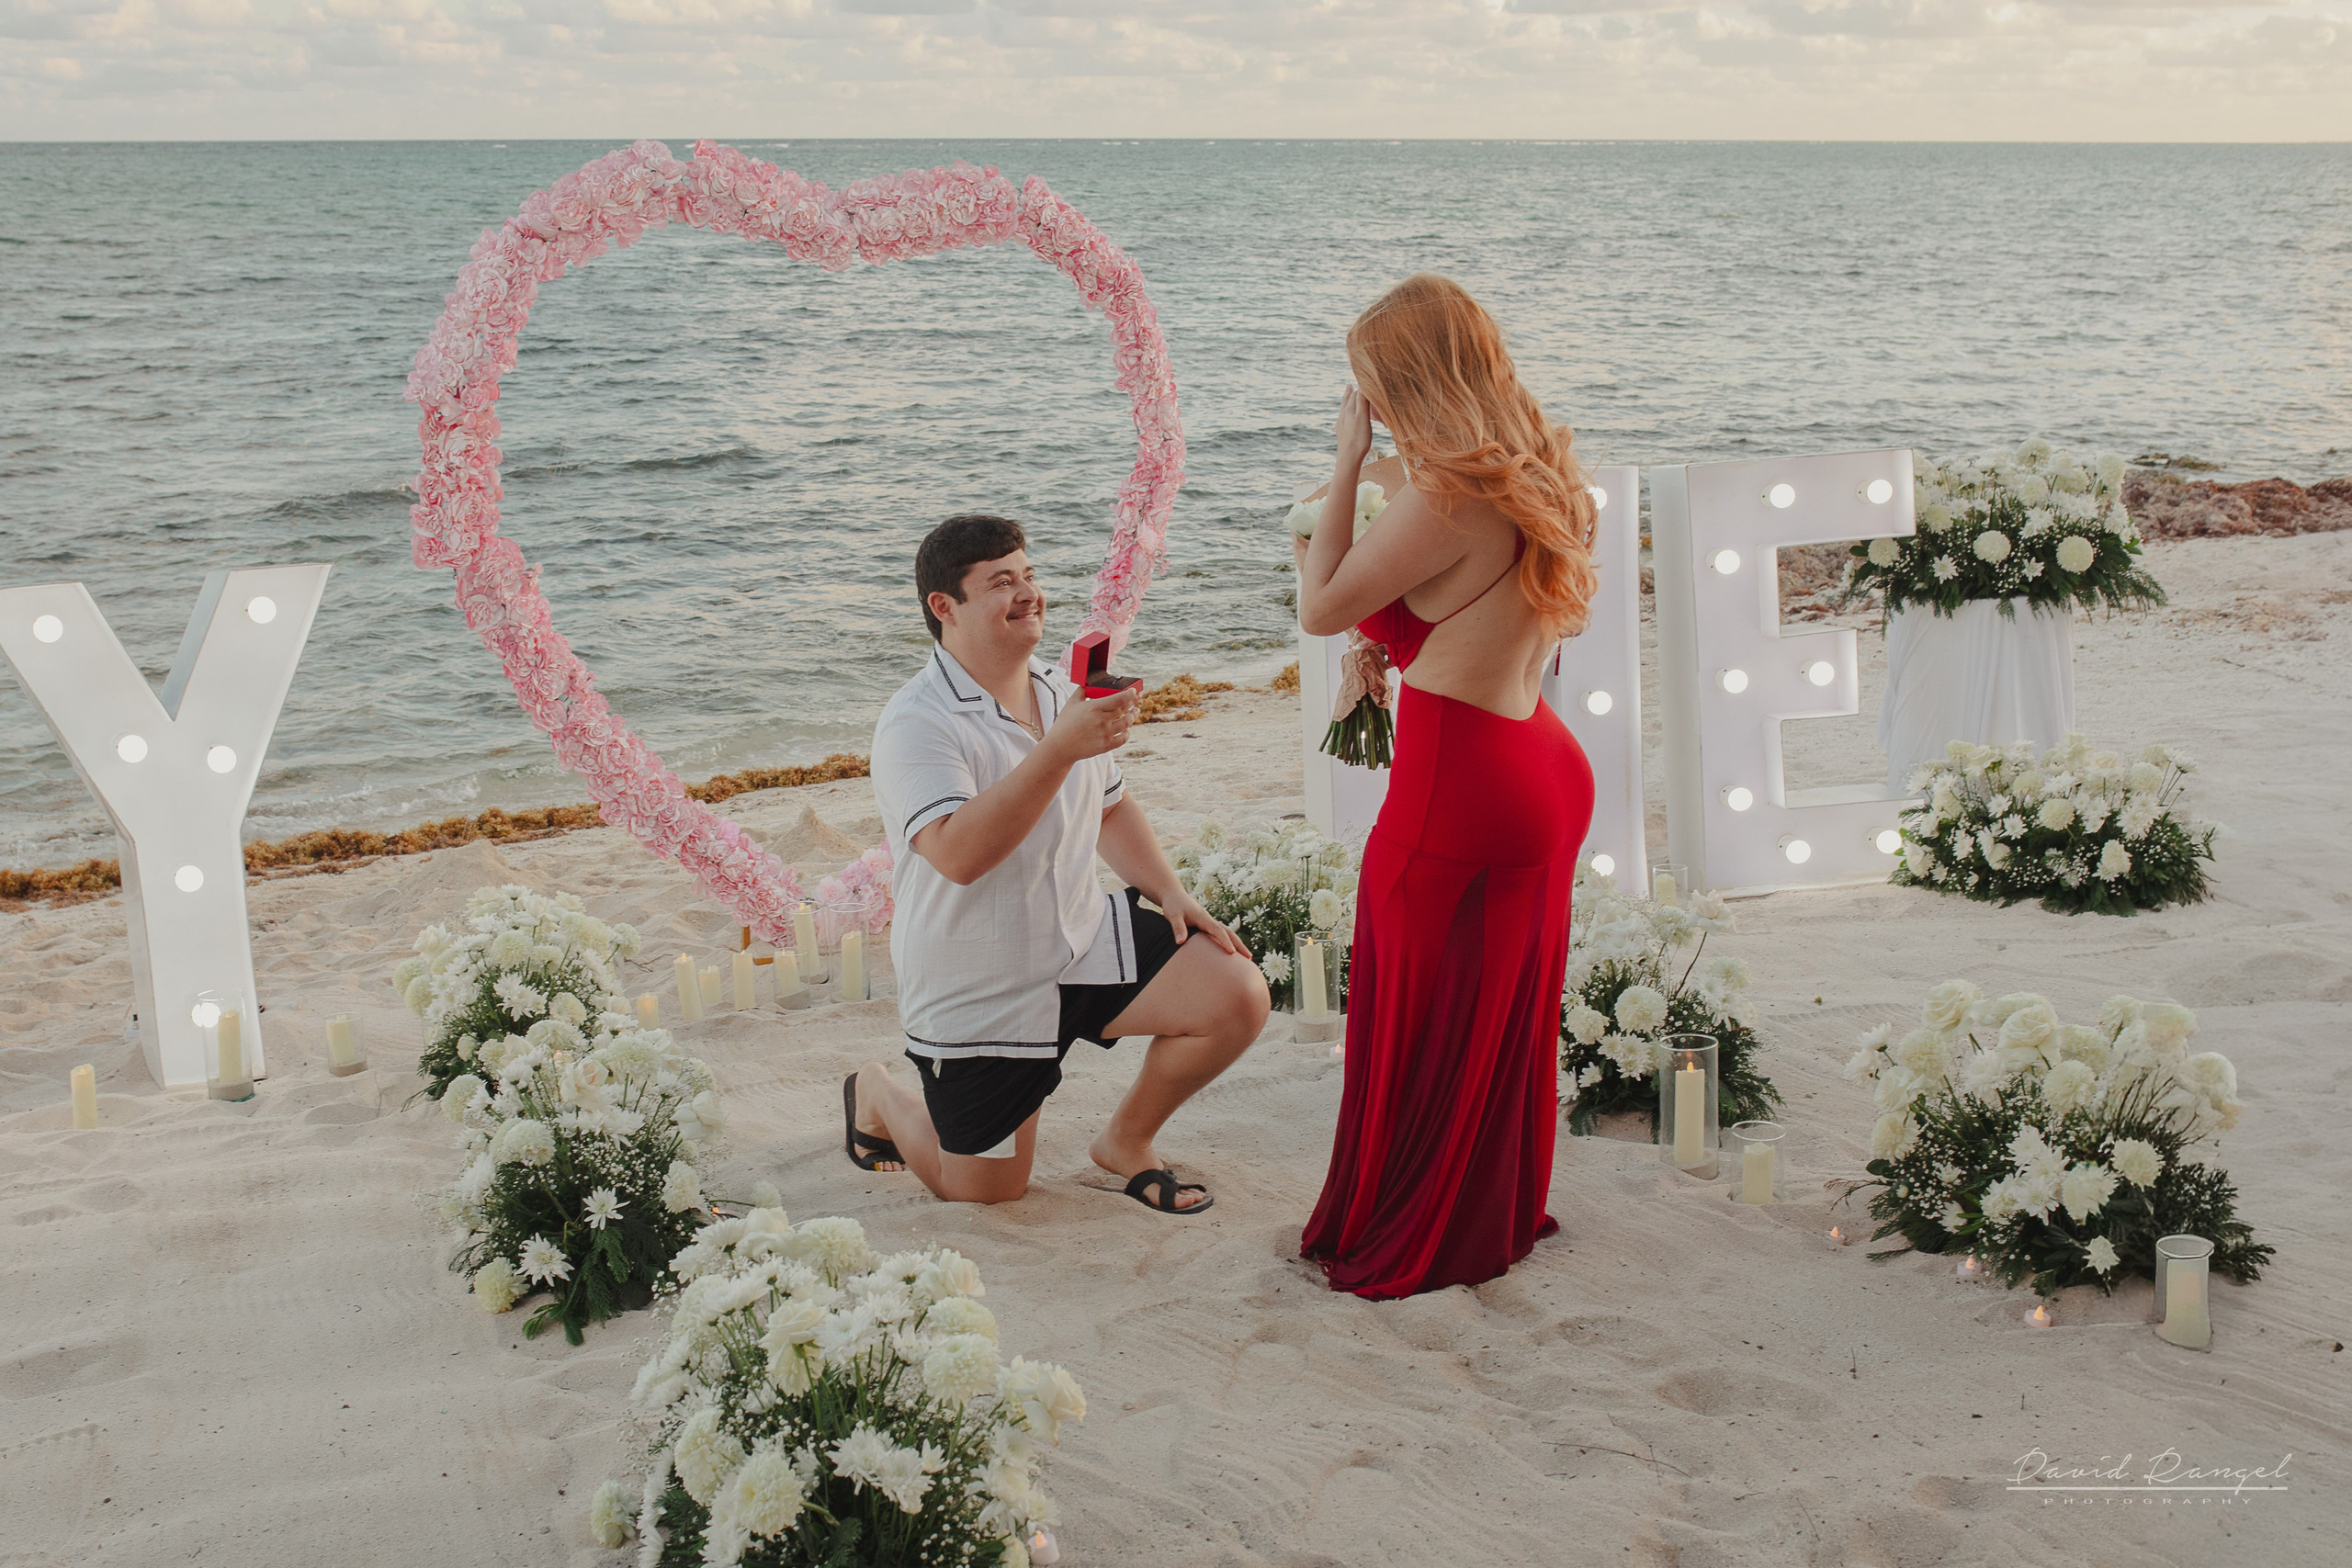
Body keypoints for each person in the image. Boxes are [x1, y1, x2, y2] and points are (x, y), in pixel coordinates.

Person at [1295, 275, 1600, 1298]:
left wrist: (1343, 469)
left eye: (1370, 385)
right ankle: (1491, 1213)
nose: (1366, 404)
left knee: (1418, 1003)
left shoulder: (1444, 494)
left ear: (1411, 378)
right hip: (1539, 765)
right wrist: (1397, 647)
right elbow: (1462, 616)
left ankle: (1415, 1231)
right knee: (1493, 1015)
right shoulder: (1542, 472)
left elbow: (1323, 604)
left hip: (1461, 783)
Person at [850, 513, 1271, 1212]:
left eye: (1029, 574)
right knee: (983, 1190)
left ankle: (1125, 1142)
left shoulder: (1057, 689)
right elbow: (958, 855)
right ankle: (875, 1089)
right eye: (1001, 582)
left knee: (1238, 992)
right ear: (944, 607)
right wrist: (1059, 749)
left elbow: (1109, 805)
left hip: (1079, 940)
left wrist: (1169, 889)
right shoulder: (914, 723)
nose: (1028, 593)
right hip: (980, 984)